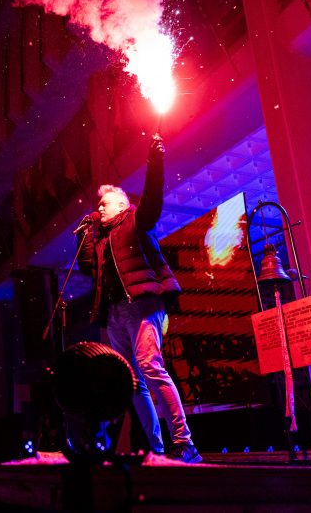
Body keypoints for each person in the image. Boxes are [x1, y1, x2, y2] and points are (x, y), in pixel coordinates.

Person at [77, 132, 201, 463]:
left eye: (103, 204)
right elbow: (87, 266)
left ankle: (183, 441)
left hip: (143, 305)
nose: (98, 208)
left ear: (120, 204)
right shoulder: (101, 240)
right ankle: (157, 449)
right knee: (131, 381)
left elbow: (153, 199)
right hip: (115, 314)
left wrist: (154, 162)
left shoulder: (135, 219)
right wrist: (89, 231)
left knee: (150, 366)